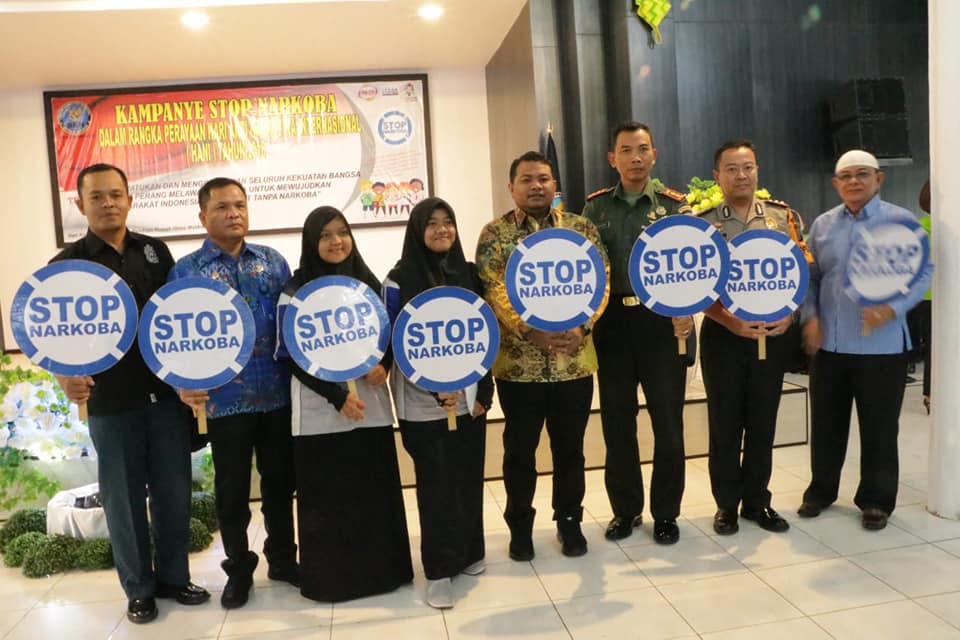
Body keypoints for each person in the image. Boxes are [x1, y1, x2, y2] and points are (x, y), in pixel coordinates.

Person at [51, 163, 209, 624]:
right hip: (110, 403)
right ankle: (139, 589)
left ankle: (174, 578)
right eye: (97, 197)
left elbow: (178, 314)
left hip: (167, 398)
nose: (108, 204)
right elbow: (51, 334)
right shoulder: (65, 265)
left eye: (116, 195)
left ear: (130, 199)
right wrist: (64, 378)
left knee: (174, 493)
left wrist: (195, 372)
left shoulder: (156, 252)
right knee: (122, 501)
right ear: (80, 204)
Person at [475, 151, 609, 560]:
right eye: (527, 179)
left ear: (555, 185)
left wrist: (582, 327)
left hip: (574, 362)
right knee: (519, 452)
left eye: (544, 178)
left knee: (571, 451)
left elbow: (601, 279)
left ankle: (569, 522)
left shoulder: (580, 228)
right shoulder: (495, 234)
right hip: (519, 368)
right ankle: (520, 527)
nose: (537, 186)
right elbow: (493, 287)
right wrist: (529, 328)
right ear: (511, 186)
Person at [170, 178, 297, 609]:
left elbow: (292, 323)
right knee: (232, 494)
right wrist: (182, 383)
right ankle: (238, 570)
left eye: (240, 205)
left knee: (280, 486)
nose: (234, 213)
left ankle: (284, 560)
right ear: (202, 216)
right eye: (222, 207)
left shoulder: (273, 262)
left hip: (277, 395)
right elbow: (171, 335)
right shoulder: (186, 271)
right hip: (224, 403)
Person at [277, 206, 413, 601]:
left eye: (342, 232)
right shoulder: (294, 291)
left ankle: (384, 573)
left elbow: (388, 335)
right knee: (329, 498)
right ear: (311, 242)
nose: (336, 241)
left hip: (369, 404)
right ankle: (333, 581)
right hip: (320, 409)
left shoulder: (369, 285)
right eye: (325, 235)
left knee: (373, 492)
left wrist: (384, 364)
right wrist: (337, 396)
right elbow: (291, 356)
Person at [798, 150, 933, 531]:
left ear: (879, 179)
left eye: (862, 174)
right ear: (835, 183)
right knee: (826, 424)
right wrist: (810, 319)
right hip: (830, 345)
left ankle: (876, 500)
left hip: (883, 347)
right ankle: (821, 491)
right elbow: (811, 278)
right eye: (846, 176)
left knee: (879, 428)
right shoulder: (822, 226)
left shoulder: (902, 222)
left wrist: (893, 308)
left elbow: (924, 272)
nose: (854, 181)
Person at [581, 121, 692, 545]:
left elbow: (695, 269)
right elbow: (587, 269)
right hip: (612, 326)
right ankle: (625, 511)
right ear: (613, 158)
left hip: (662, 323)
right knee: (617, 423)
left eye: (643, 149)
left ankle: (666, 513)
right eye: (626, 150)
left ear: (654, 155)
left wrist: (688, 311)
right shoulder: (595, 209)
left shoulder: (675, 208)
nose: (636, 158)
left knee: (669, 424)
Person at [696, 139, 812, 536]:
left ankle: (757, 501)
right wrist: (728, 321)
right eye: (731, 169)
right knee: (724, 423)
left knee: (763, 421)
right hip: (724, 335)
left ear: (757, 171)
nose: (741, 175)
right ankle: (726, 505)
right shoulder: (703, 224)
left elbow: (802, 271)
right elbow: (695, 288)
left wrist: (790, 315)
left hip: (771, 335)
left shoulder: (783, 217)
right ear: (718, 176)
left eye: (748, 167)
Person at [384, 197, 494, 609]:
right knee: (435, 483)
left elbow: (484, 335)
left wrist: (485, 392)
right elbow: (394, 342)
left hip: (468, 398)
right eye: (431, 224)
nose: (442, 230)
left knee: (467, 476)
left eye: (448, 221)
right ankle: (439, 569)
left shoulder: (470, 274)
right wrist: (436, 388)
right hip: (421, 403)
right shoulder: (398, 280)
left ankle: (469, 551)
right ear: (417, 231)